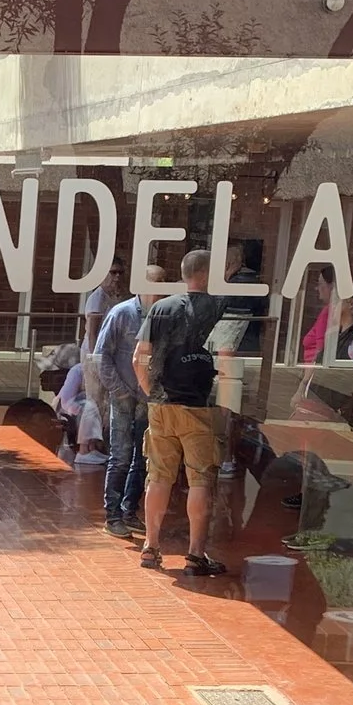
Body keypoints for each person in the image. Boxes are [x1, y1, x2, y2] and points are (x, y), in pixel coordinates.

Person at [136, 247, 232, 579]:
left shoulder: (160, 307)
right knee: (200, 480)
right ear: (205, 274)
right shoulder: (219, 307)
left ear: (184, 272)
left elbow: (139, 358)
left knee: (159, 475)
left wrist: (153, 393)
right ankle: (195, 554)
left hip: (161, 405)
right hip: (199, 408)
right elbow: (227, 356)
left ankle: (151, 546)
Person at [92, 278, 150, 538]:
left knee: (142, 456)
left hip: (147, 397)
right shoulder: (121, 313)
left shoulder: (159, 316)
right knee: (121, 455)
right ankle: (112, 515)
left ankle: (129, 510)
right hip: (124, 395)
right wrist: (119, 390)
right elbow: (101, 355)